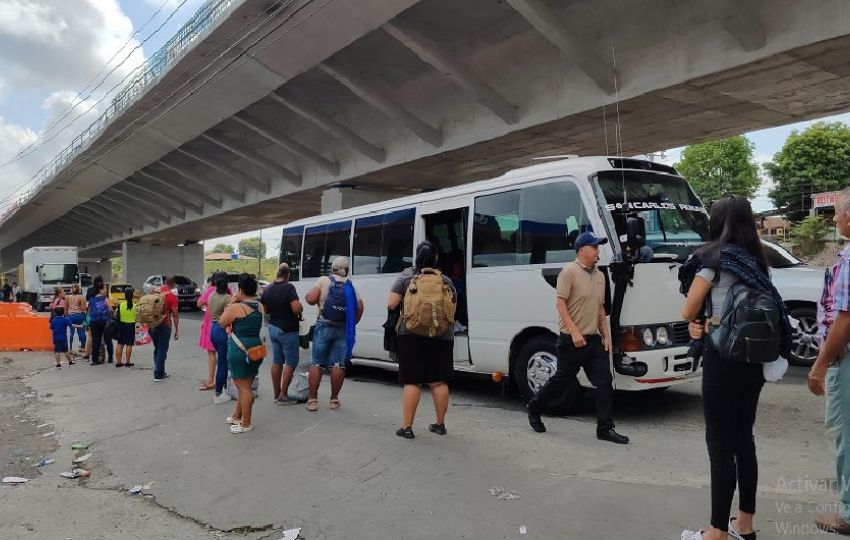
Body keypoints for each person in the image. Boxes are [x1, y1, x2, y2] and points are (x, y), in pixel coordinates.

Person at [679, 195, 792, 540]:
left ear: (717, 223)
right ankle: (744, 525)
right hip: (753, 363)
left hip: (723, 359)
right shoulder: (758, 261)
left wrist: (700, 323)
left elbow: (688, 309)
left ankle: (715, 531)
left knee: (719, 444)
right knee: (744, 440)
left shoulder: (714, 258)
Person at [526, 231, 628, 445]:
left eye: (599, 248)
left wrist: (606, 335)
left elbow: (600, 308)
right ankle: (535, 407)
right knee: (561, 382)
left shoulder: (599, 275)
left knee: (604, 383)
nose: (598, 252)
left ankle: (605, 428)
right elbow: (560, 304)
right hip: (571, 340)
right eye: (595, 248)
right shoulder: (569, 272)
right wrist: (574, 332)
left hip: (593, 341)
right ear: (582, 250)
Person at [809, 187, 850, 535]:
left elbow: (845, 319)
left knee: (846, 435)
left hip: (846, 361)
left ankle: (849, 514)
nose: (834, 218)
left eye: (837, 213)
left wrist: (820, 365)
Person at [388, 241, 456, 439]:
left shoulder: (407, 276)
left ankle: (407, 428)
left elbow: (391, 303)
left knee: (412, 381)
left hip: (411, 334)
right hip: (442, 335)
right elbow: (453, 306)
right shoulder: (445, 280)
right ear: (436, 258)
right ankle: (440, 425)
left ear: (416, 257)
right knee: (438, 381)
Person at [304, 257, 364, 412]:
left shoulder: (324, 280)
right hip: (342, 328)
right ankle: (334, 400)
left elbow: (310, 299)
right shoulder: (351, 285)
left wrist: (317, 299)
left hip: (323, 326)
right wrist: (351, 324)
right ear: (347, 270)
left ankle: (312, 400)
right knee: (338, 365)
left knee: (317, 363)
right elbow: (360, 308)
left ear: (333, 268)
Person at [219, 273, 264, 433]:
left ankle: (246, 423)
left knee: (243, 387)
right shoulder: (259, 306)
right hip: (255, 349)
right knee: (245, 384)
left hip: (240, 350)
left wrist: (232, 301)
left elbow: (222, 321)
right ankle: (237, 416)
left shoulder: (237, 307)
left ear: (241, 290)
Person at [261, 263, 304, 405]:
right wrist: (300, 306)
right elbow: (296, 309)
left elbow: (264, 310)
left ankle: (276, 393)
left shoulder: (267, 289)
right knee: (291, 361)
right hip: (287, 329)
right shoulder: (289, 287)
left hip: (273, 328)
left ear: (277, 274)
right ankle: (283, 395)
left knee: (277, 360)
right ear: (288, 275)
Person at [208, 272, 232, 405]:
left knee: (221, 360)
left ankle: (223, 388)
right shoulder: (227, 298)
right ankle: (218, 393)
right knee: (223, 362)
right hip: (222, 330)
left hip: (213, 329)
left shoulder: (212, 296)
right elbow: (229, 315)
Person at [151, 276, 179, 382]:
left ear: (165, 282)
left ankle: (159, 370)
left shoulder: (154, 292)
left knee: (157, 348)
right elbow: (175, 315)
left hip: (152, 324)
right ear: (173, 284)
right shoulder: (171, 297)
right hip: (165, 325)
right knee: (162, 349)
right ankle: (158, 374)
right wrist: (176, 330)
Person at [197, 276, 219, 391]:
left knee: (211, 353)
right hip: (226, 324)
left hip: (211, 323)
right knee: (224, 354)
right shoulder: (229, 290)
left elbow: (199, 303)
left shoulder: (211, 290)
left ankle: (211, 380)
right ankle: (225, 380)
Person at [87, 282, 114, 365]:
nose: (106, 290)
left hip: (94, 322)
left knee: (95, 341)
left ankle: (95, 360)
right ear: (100, 290)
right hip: (105, 322)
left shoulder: (91, 299)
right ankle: (110, 358)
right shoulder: (105, 299)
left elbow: (89, 311)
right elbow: (111, 310)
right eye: (105, 288)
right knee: (108, 340)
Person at [115, 287, 136, 368]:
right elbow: (137, 317)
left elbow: (115, 314)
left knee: (120, 344)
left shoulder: (120, 305)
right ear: (132, 296)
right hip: (131, 326)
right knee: (129, 344)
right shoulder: (135, 306)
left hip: (121, 326)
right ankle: (127, 362)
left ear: (125, 296)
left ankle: (119, 362)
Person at [66, 284, 87, 354]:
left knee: (71, 332)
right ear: (79, 290)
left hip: (70, 316)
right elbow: (84, 309)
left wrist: (66, 316)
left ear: (71, 290)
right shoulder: (82, 298)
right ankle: (83, 348)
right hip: (80, 316)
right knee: (82, 331)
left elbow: (65, 308)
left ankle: (70, 348)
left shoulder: (67, 297)